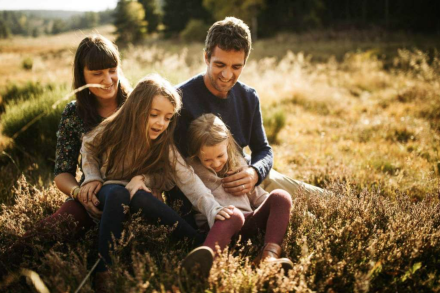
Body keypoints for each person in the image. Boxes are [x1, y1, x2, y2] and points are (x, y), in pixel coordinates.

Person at [169, 17, 326, 226]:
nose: (227, 74)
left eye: (236, 67)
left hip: (246, 176)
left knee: (318, 197)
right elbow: (175, 167)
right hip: (207, 188)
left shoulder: (248, 97)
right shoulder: (179, 99)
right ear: (206, 57)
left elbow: (263, 150)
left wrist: (254, 173)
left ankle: (355, 206)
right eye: (220, 64)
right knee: (298, 217)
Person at [0, 35, 131, 276]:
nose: (108, 79)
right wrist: (78, 193)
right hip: (89, 201)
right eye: (97, 73)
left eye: (112, 70)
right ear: (82, 76)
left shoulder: (135, 105)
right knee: (45, 235)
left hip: (133, 196)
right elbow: (62, 173)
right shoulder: (75, 113)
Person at [80, 74, 225, 291]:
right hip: (108, 191)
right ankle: (103, 270)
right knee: (119, 193)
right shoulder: (114, 128)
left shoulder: (163, 144)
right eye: (154, 115)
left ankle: (195, 242)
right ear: (136, 109)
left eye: (167, 118)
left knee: (139, 195)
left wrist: (213, 209)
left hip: (138, 194)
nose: (161, 123)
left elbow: (187, 178)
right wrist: (92, 177)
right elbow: (88, 146)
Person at [179, 114, 294, 278]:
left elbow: (256, 194)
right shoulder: (191, 168)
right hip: (218, 224)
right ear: (196, 153)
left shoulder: (238, 162)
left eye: (220, 156)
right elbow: (165, 178)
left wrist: (277, 210)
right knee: (232, 214)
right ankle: (205, 261)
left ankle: (269, 256)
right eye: (208, 160)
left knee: (281, 196)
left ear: (227, 145)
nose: (217, 163)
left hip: (248, 221)